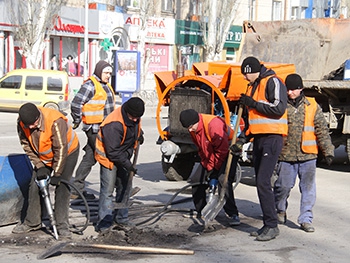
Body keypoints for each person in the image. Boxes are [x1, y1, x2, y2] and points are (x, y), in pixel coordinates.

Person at [230, 56, 288, 241]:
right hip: (259, 138)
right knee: (261, 182)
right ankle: (267, 224)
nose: (245, 78)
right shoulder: (253, 86)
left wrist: (253, 104)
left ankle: (272, 225)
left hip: (272, 138)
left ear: (252, 70)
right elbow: (253, 119)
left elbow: (278, 108)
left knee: (263, 181)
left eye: (246, 74)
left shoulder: (273, 81)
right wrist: (242, 139)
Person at [274, 73, 334, 232]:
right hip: (285, 155)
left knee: (308, 189)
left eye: (293, 89)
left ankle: (306, 219)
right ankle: (280, 210)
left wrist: (328, 151)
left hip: (308, 156)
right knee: (282, 187)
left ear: (300, 89)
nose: (289, 92)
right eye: (288, 89)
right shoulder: (280, 106)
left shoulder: (312, 106)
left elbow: (322, 130)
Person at [12, 103, 79, 238]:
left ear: (38, 117)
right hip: (43, 156)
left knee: (62, 187)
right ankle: (33, 222)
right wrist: (40, 166)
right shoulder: (22, 123)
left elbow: (61, 149)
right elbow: (26, 145)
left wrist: (57, 173)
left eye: (33, 124)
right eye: (28, 125)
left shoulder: (55, 121)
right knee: (35, 185)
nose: (30, 127)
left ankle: (62, 225)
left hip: (67, 152)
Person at [179, 109, 240, 226]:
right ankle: (201, 210)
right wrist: (207, 165)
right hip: (211, 155)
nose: (189, 130)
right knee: (196, 180)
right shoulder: (193, 129)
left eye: (191, 127)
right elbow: (201, 149)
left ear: (197, 121)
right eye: (187, 128)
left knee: (223, 180)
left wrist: (213, 169)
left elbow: (221, 151)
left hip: (229, 152)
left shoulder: (213, 125)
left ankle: (232, 214)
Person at [95, 97, 145, 232]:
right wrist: (129, 165)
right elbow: (113, 152)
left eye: (138, 117)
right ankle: (104, 223)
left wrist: (139, 135)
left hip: (122, 154)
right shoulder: (113, 124)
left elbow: (134, 127)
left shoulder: (134, 116)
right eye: (133, 117)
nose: (135, 120)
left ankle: (122, 219)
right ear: (127, 112)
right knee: (108, 191)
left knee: (126, 187)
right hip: (108, 157)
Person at [70, 60, 116, 200]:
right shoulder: (90, 86)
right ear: (98, 71)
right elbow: (76, 103)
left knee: (90, 157)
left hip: (103, 128)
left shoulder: (105, 86)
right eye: (106, 73)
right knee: (108, 155)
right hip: (95, 129)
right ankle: (114, 189)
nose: (108, 75)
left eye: (110, 73)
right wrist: (78, 120)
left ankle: (76, 190)